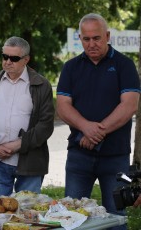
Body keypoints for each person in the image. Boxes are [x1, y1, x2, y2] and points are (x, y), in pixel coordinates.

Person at [56, 13, 140, 229]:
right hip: (79, 155)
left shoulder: (125, 65)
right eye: (86, 39)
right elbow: (63, 107)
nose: (91, 43)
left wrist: (96, 133)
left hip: (116, 156)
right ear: (80, 39)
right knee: (71, 218)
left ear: (107, 36)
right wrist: (86, 127)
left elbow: (129, 105)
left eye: (97, 38)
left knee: (116, 218)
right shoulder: (71, 67)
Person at [0, 36, 55, 201]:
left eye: (14, 58)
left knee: (27, 216)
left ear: (26, 59)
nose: (7, 62)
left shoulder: (41, 84)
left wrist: (18, 144)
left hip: (30, 162)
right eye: (5, 56)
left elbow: (45, 125)